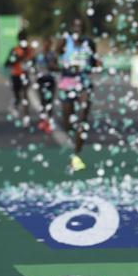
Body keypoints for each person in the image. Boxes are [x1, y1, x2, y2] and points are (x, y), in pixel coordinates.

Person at [57, 18, 101, 171]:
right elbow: (53, 60)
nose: (78, 29)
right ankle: (72, 133)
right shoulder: (64, 41)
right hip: (67, 83)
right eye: (76, 26)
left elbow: (95, 61)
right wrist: (66, 67)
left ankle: (77, 155)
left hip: (84, 84)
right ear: (71, 28)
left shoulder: (89, 43)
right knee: (67, 122)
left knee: (82, 120)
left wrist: (96, 65)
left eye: (81, 27)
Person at [33, 36, 59, 132]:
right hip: (41, 79)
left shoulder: (52, 54)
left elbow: (56, 66)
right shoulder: (38, 54)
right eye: (45, 43)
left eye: (49, 43)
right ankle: (42, 120)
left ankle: (49, 121)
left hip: (50, 79)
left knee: (50, 101)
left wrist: (53, 66)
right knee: (42, 100)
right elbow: (34, 65)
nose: (47, 45)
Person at [5, 29, 32, 123]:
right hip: (16, 75)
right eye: (21, 38)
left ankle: (26, 118)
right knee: (17, 96)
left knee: (25, 96)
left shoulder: (29, 50)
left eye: (24, 38)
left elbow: (33, 61)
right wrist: (17, 58)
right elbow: (7, 63)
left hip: (25, 75)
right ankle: (15, 105)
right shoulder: (15, 50)